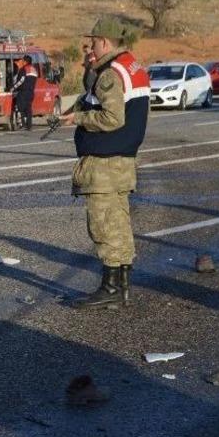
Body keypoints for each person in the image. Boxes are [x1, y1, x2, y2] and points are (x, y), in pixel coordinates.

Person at [59, 17, 150, 309]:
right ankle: (121, 286)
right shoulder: (133, 66)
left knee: (102, 225)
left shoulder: (110, 73)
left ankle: (109, 287)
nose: (90, 47)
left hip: (105, 163)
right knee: (119, 224)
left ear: (105, 42)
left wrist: (78, 118)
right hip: (122, 161)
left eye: (93, 41)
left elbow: (112, 118)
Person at [13, 54, 37, 130]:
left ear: (26, 62)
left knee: (20, 108)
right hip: (31, 92)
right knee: (28, 109)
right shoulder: (34, 69)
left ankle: (22, 124)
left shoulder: (24, 69)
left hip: (23, 92)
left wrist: (13, 88)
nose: (22, 62)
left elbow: (21, 80)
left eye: (23, 61)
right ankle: (29, 125)